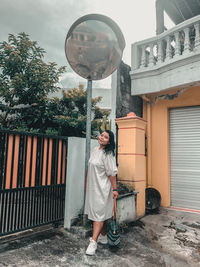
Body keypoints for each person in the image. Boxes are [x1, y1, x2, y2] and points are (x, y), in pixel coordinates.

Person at [84, 130, 118, 256]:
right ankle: (103, 236)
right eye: (102, 135)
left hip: (103, 188)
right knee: (98, 213)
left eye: (106, 137)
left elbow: (112, 173)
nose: (102, 138)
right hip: (93, 188)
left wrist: (114, 190)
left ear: (109, 141)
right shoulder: (95, 150)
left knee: (98, 214)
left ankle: (93, 242)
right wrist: (86, 184)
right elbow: (90, 168)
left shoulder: (108, 154)